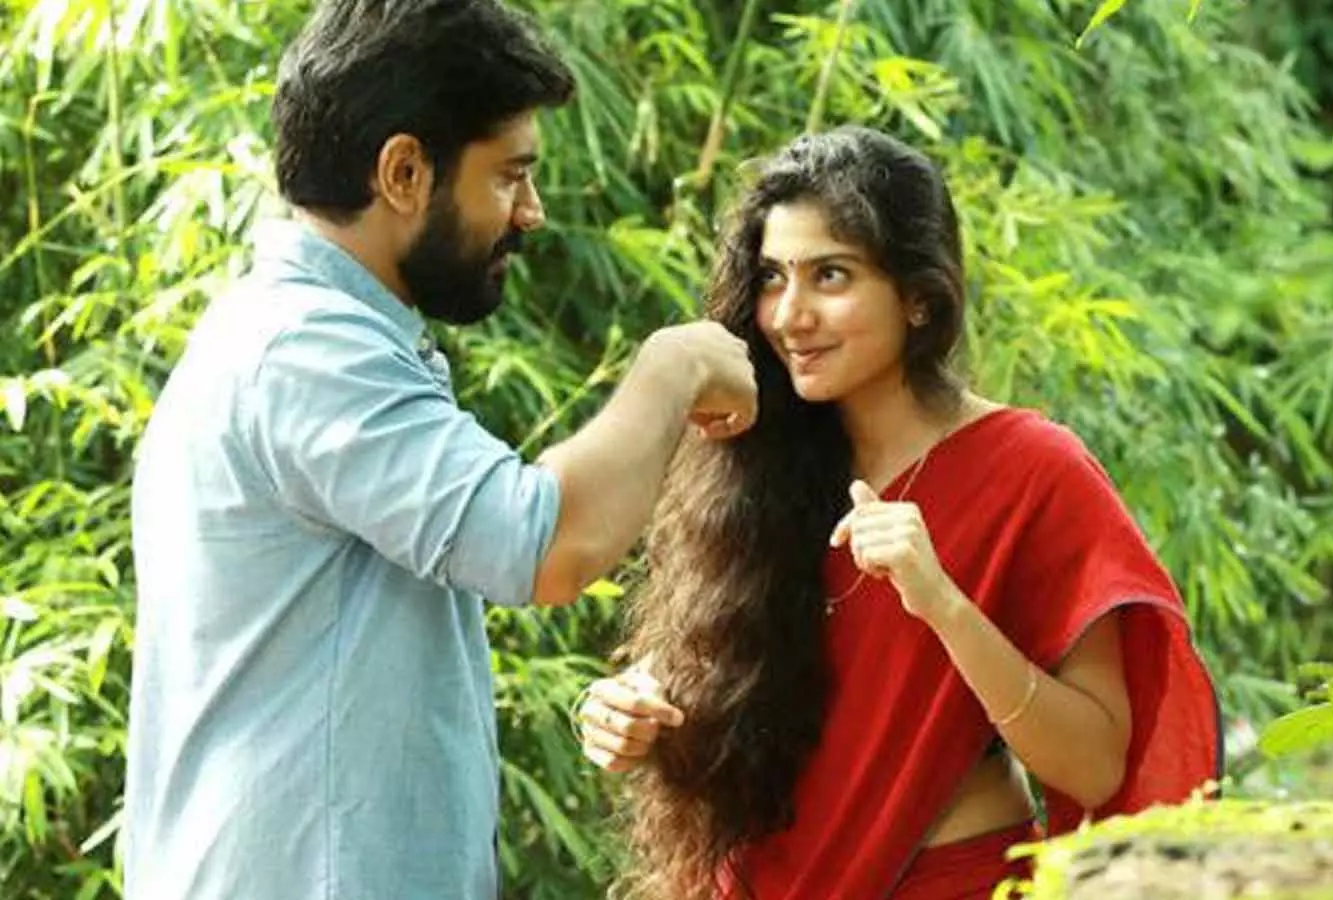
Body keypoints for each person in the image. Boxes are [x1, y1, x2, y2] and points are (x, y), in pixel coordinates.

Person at [122, 2, 757, 899]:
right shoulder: (308, 351)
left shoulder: (292, 334)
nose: (531, 213)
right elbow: (545, 546)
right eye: (510, 176)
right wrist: (674, 365)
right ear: (405, 172)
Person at [574, 126, 1223, 899]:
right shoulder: (749, 458)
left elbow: (1096, 765)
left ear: (918, 296)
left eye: (831, 276)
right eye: (774, 277)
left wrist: (943, 603)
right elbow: (753, 676)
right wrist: (632, 708)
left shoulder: (1034, 470)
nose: (789, 315)